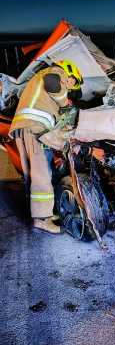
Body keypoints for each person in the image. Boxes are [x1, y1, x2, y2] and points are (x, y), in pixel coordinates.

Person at [9, 59, 83, 234]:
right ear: (69, 72)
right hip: (35, 128)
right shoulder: (56, 72)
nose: (70, 86)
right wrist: (65, 104)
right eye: (73, 81)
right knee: (42, 174)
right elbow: (52, 82)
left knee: (33, 174)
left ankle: (42, 213)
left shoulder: (39, 80)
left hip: (26, 127)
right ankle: (42, 220)